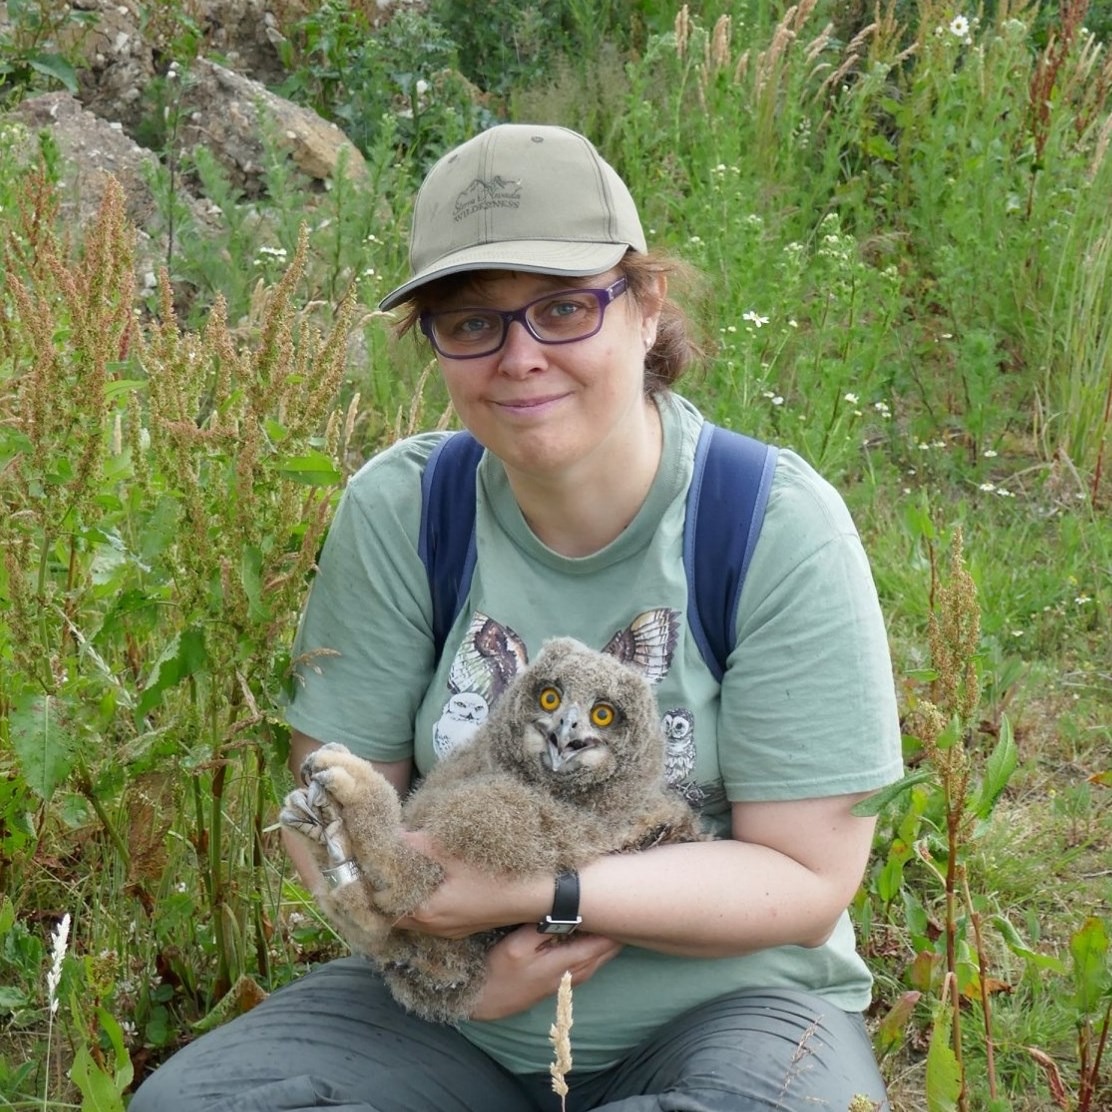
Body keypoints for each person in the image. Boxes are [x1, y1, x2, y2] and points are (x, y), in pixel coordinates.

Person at [131, 123, 903, 1112]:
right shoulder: (406, 510)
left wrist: (545, 890)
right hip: (447, 1016)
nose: (520, 357)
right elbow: (330, 808)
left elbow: (805, 877)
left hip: (725, 1011)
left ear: (644, 308)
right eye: (471, 323)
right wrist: (436, 971)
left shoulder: (767, 525)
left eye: (563, 308)